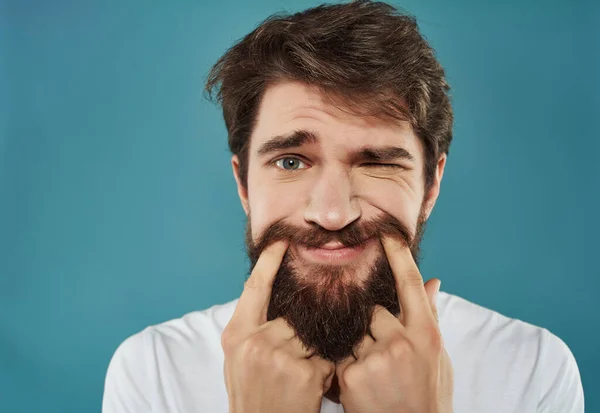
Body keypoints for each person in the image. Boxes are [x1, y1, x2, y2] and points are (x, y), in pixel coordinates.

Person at [102, 1, 584, 412]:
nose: (333, 215)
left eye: (376, 162)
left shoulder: (533, 370)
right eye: (291, 161)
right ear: (244, 185)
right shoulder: (153, 373)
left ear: (431, 185)